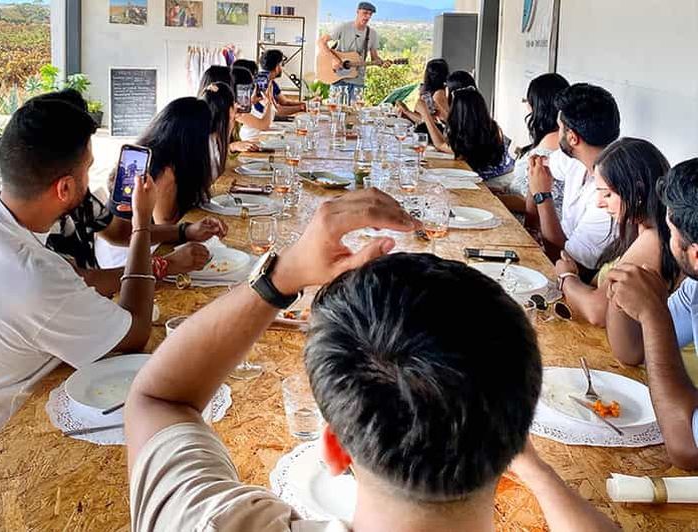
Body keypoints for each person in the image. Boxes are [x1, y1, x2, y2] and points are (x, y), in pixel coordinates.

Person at [123, 188, 620, 532]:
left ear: (334, 449)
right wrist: (515, 447)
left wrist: (282, 278)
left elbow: (158, 399)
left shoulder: (214, 524)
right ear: (517, 431)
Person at [0, 90, 159, 513]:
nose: (89, 180)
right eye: (87, 171)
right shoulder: (30, 275)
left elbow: (66, 286)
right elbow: (134, 333)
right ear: (65, 187)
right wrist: (140, 225)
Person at [43, 91, 225, 295]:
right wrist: (166, 264)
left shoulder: (78, 199)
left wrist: (184, 231)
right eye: (86, 168)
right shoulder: (25, 240)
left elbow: (120, 231)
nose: (87, 180)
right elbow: (83, 283)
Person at [606, 158, 698, 469]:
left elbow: (688, 448)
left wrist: (653, 314)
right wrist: (623, 286)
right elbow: (633, 350)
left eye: (670, 231)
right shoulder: (695, 289)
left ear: (695, 254)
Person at [555, 138, 678, 326]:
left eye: (607, 194)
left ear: (637, 192)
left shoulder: (653, 240)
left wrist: (567, 278)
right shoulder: (638, 227)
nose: (599, 202)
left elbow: (598, 311)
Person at [95, 97, 222, 269]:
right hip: (125, 255)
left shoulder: (151, 151)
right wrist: (187, 230)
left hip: (125, 244)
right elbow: (166, 227)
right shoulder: (164, 171)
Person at [527, 83, 619, 273]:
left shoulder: (609, 198)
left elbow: (565, 262)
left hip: (576, 280)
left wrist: (542, 196)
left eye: (560, 127)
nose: (557, 133)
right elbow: (537, 168)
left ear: (572, 138)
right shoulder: (576, 157)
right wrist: (530, 227)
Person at [502, 73, 570, 217]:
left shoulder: (549, 148)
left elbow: (532, 202)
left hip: (529, 223)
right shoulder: (553, 137)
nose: (526, 105)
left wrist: (497, 199)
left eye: (528, 100)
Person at [418, 85, 515, 184]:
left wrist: (426, 114)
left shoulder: (472, 137)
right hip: (499, 179)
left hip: (489, 185)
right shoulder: (490, 126)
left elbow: (441, 145)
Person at [317, 2, 390, 102]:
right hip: (338, 77)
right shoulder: (343, 27)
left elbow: (375, 58)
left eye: (370, 14)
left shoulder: (372, 34)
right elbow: (321, 42)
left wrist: (382, 63)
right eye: (365, 13)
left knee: (355, 112)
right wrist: (334, 59)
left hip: (358, 80)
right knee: (337, 111)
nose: (367, 16)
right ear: (357, 11)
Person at [396, 58, 450, 127]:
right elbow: (422, 119)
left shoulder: (439, 94)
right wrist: (406, 115)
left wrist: (407, 112)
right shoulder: (428, 91)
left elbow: (438, 124)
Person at [256, 49, 306, 116]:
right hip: (259, 122)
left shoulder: (271, 82)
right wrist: (302, 108)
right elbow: (275, 110)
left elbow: (285, 102)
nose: (282, 68)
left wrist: (306, 104)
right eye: (281, 64)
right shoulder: (261, 83)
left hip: (268, 120)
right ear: (277, 67)